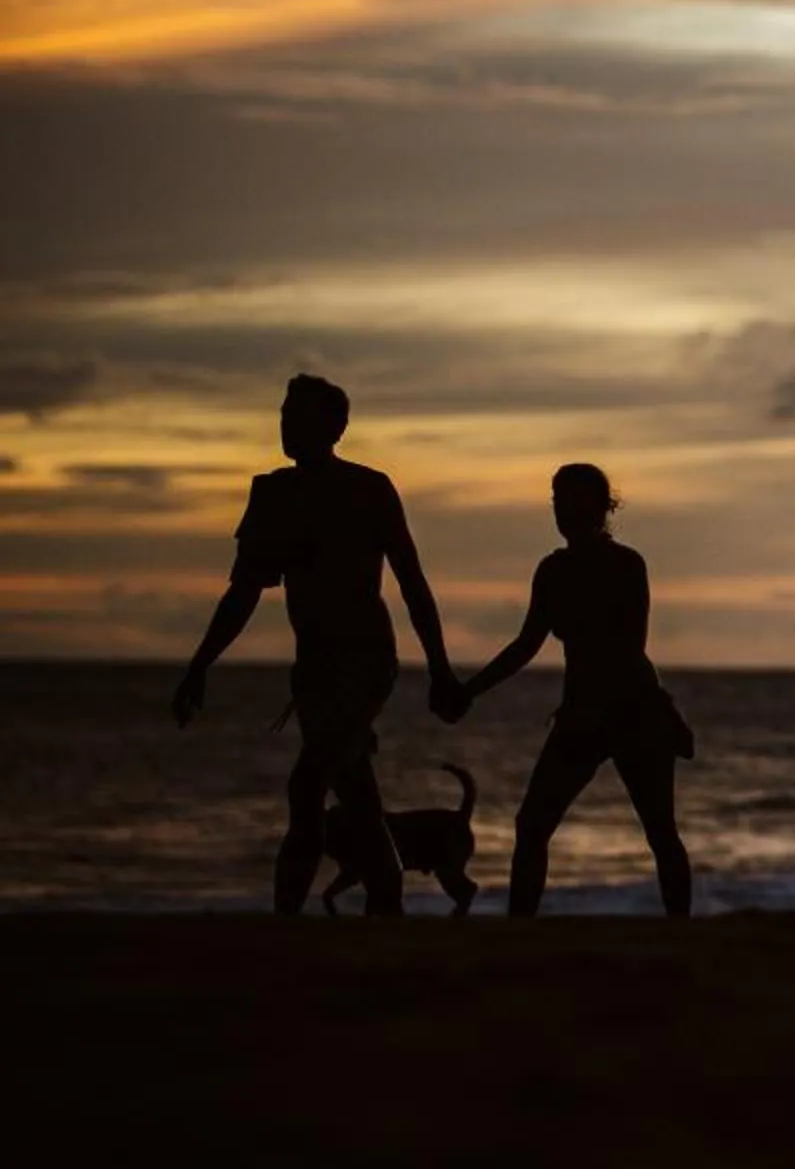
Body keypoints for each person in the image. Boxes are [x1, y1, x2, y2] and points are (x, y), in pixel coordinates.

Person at [174, 374, 461, 917]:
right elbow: (242, 593)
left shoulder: (370, 489)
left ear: (335, 428)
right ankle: (387, 906)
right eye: (283, 415)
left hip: (367, 663)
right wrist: (199, 665)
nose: (285, 425)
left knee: (307, 785)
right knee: (356, 797)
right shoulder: (273, 494)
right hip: (313, 671)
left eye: (298, 416)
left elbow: (412, 584)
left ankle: (285, 918)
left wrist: (440, 670)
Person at [442, 464, 693, 917]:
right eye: (557, 498)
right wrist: (470, 690)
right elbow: (525, 645)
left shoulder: (627, 565)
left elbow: (629, 648)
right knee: (532, 826)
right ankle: (519, 932)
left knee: (660, 830)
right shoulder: (552, 570)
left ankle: (682, 931)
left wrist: (632, 712)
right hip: (581, 714)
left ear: (603, 506)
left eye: (575, 498)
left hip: (633, 711)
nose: (564, 508)